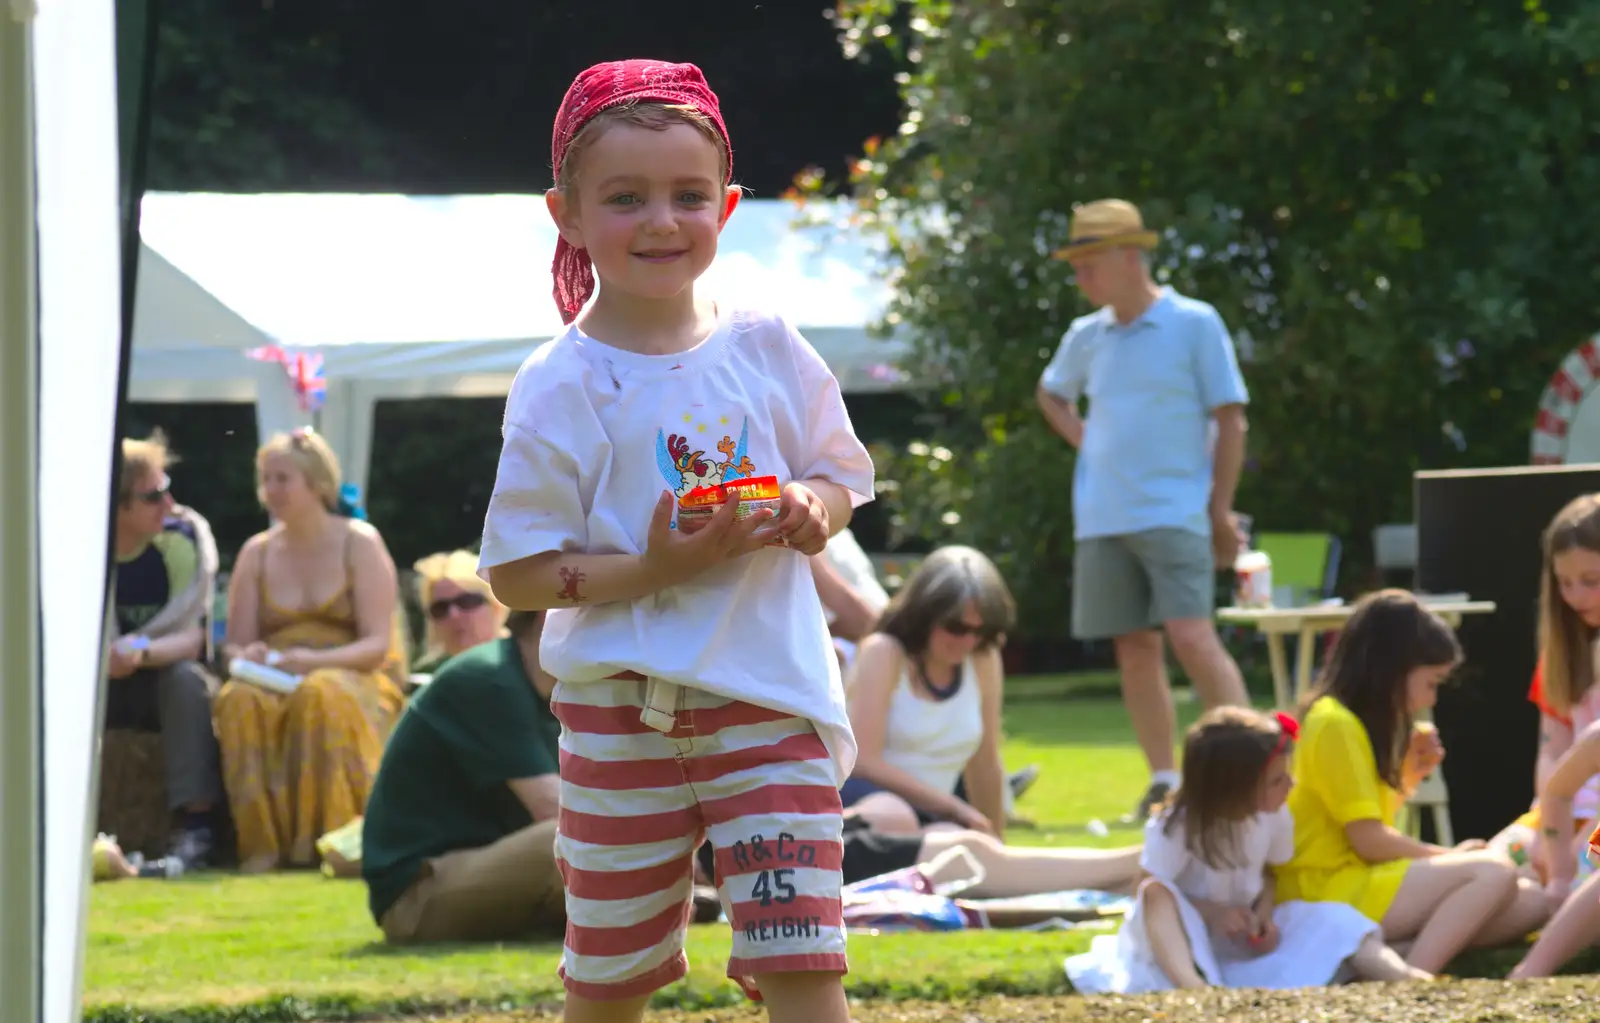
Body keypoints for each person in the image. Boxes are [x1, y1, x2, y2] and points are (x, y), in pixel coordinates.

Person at [478, 60, 874, 1023]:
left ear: (728, 206)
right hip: (618, 721)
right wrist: (657, 569)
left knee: (804, 961)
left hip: (768, 701)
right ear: (566, 213)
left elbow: (840, 474)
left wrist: (812, 511)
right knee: (608, 981)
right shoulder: (558, 382)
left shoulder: (768, 344)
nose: (662, 220)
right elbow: (516, 574)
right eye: (626, 197)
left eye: (688, 195)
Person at [1036, 198, 1252, 821]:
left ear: (1132, 257)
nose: (1082, 279)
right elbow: (1050, 395)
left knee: (1192, 636)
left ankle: (1251, 768)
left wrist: (1220, 510)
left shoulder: (1194, 322)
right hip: (1101, 516)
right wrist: (1089, 442)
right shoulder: (1087, 335)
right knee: (1134, 647)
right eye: (1076, 265)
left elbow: (1231, 419)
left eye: (1090, 263)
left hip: (1176, 512)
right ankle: (1164, 781)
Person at [1276, 590, 1550, 974]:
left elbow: (1365, 827)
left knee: (1533, 902)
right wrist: (1452, 858)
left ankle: (1387, 955)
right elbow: (1369, 842)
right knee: (1495, 872)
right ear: (1391, 668)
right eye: (1431, 682)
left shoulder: (1349, 721)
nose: (1429, 698)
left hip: (1354, 882)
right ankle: (1413, 975)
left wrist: (1408, 776)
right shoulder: (1334, 722)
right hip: (1324, 890)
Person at [1067, 706, 1426, 993]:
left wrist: (1263, 915)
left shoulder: (1273, 815)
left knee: (1331, 918)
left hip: (1242, 937)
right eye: (1276, 780)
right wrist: (1212, 913)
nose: (1291, 784)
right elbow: (1147, 893)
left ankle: (1403, 976)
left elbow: (1269, 875)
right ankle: (1193, 990)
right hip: (1184, 939)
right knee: (1155, 893)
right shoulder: (1177, 825)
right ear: (1232, 787)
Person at [214, 428, 409, 872]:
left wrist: (314, 662)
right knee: (238, 700)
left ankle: (332, 841)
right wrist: (251, 657)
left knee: (321, 693)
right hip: (275, 675)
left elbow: (377, 646)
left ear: (317, 482)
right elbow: (234, 649)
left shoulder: (359, 543)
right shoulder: (256, 554)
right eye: (265, 479)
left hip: (352, 671)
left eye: (282, 478)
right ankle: (262, 847)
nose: (271, 490)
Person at [363, 610, 563, 943]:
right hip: (418, 895)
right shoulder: (488, 678)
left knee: (603, 837)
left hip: (483, 868)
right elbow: (554, 809)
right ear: (548, 616)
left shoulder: (555, 690)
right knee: (572, 839)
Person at [106, 430, 224, 871]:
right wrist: (100, 664)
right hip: (94, 683)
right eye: (154, 496)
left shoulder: (184, 538)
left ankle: (197, 829)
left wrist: (137, 649)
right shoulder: (78, 547)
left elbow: (193, 638)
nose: (170, 504)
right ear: (118, 506)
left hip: (159, 680)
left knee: (185, 681)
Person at [840, 546, 1014, 838]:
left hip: (937, 821)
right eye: (956, 628)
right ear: (925, 615)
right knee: (908, 822)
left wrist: (996, 841)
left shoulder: (983, 658)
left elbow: (985, 762)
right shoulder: (884, 651)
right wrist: (953, 808)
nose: (968, 641)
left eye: (981, 631)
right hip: (874, 812)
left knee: (965, 847)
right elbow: (862, 762)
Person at [411, 549, 508, 675]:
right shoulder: (431, 681)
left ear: (495, 606)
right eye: (440, 608)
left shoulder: (529, 663)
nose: (454, 615)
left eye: (467, 601)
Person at [811, 526, 889, 672]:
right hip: (847, 668)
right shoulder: (807, 527)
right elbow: (863, 623)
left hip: (872, 655)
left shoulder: (842, 533)